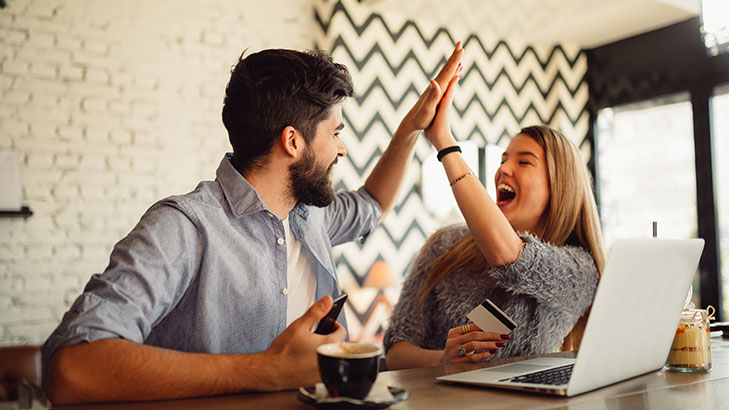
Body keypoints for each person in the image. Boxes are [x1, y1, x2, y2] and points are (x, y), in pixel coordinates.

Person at [42, 43, 464, 404]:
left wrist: (412, 127)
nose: (343, 149)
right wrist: (267, 371)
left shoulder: (310, 215)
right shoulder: (184, 227)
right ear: (293, 141)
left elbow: (373, 203)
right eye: (335, 132)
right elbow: (72, 368)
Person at [383, 68, 606, 370]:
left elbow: (511, 258)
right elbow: (396, 352)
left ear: (561, 185)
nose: (503, 170)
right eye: (502, 160)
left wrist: (445, 143)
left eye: (523, 161)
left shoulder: (581, 269)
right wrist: (444, 360)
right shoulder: (445, 243)